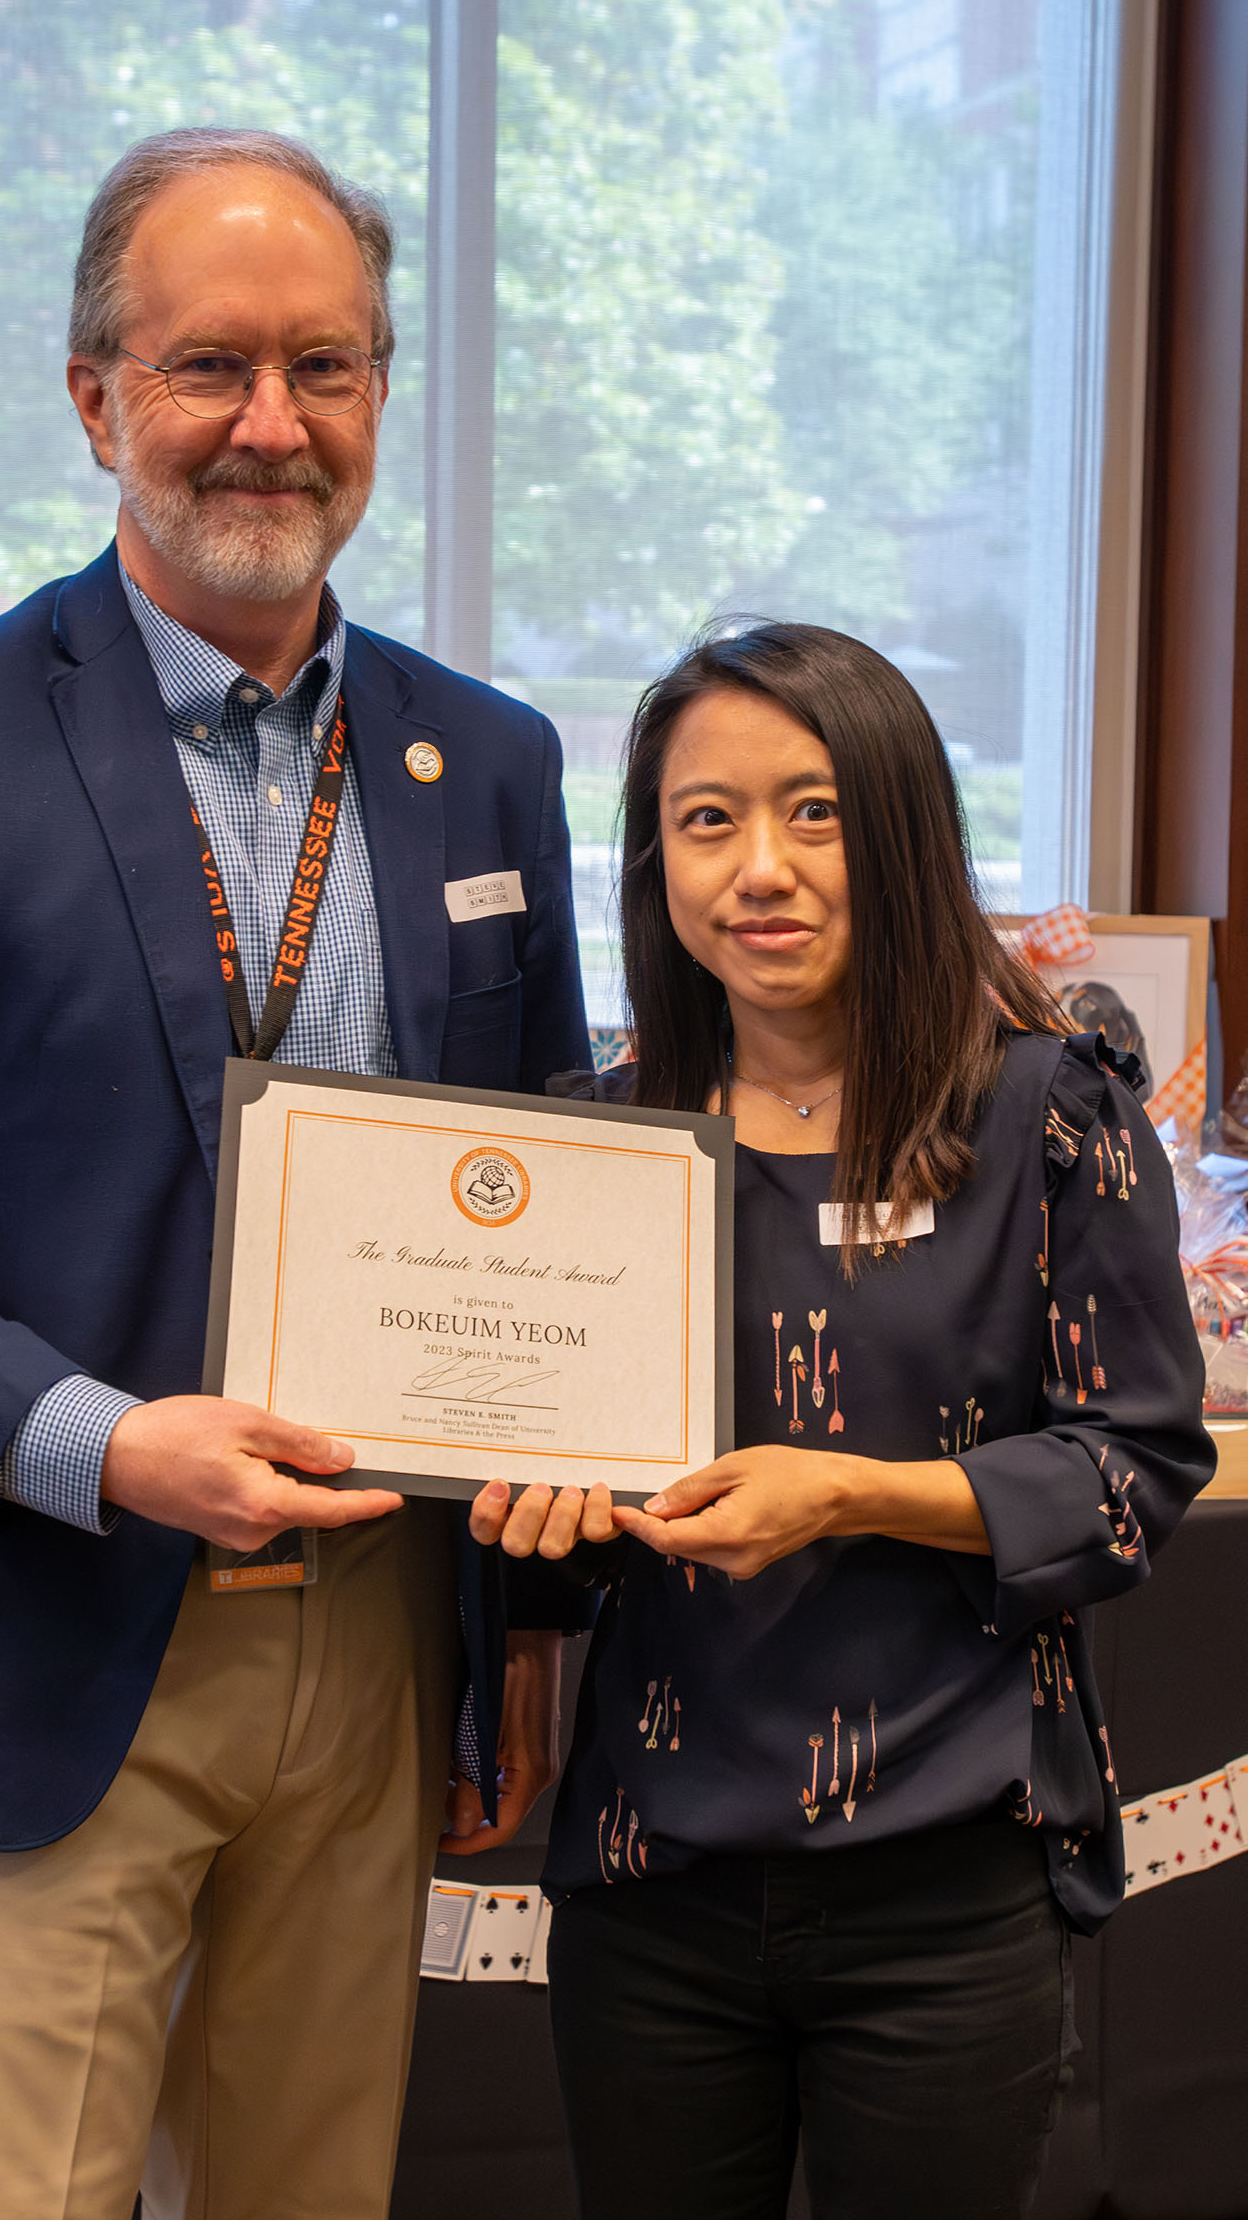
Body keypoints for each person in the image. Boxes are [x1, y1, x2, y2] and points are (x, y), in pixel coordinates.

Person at [0, 127, 590, 2220]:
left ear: (379, 394)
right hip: (37, 1621)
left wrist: (527, 1633)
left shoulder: (491, 762)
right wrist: (100, 1442)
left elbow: (543, 1196)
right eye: (208, 366)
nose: (272, 423)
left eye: (326, 366)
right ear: (97, 398)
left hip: (377, 1641)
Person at [472, 622, 1212, 2220]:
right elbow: (565, 1520)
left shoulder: (1048, 1116)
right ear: (654, 862)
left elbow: (1133, 1470)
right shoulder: (595, 1145)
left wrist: (853, 1494)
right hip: (654, 1882)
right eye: (706, 820)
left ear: (900, 829)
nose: (762, 869)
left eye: (813, 812)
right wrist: (533, 1544)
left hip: (948, 1879)